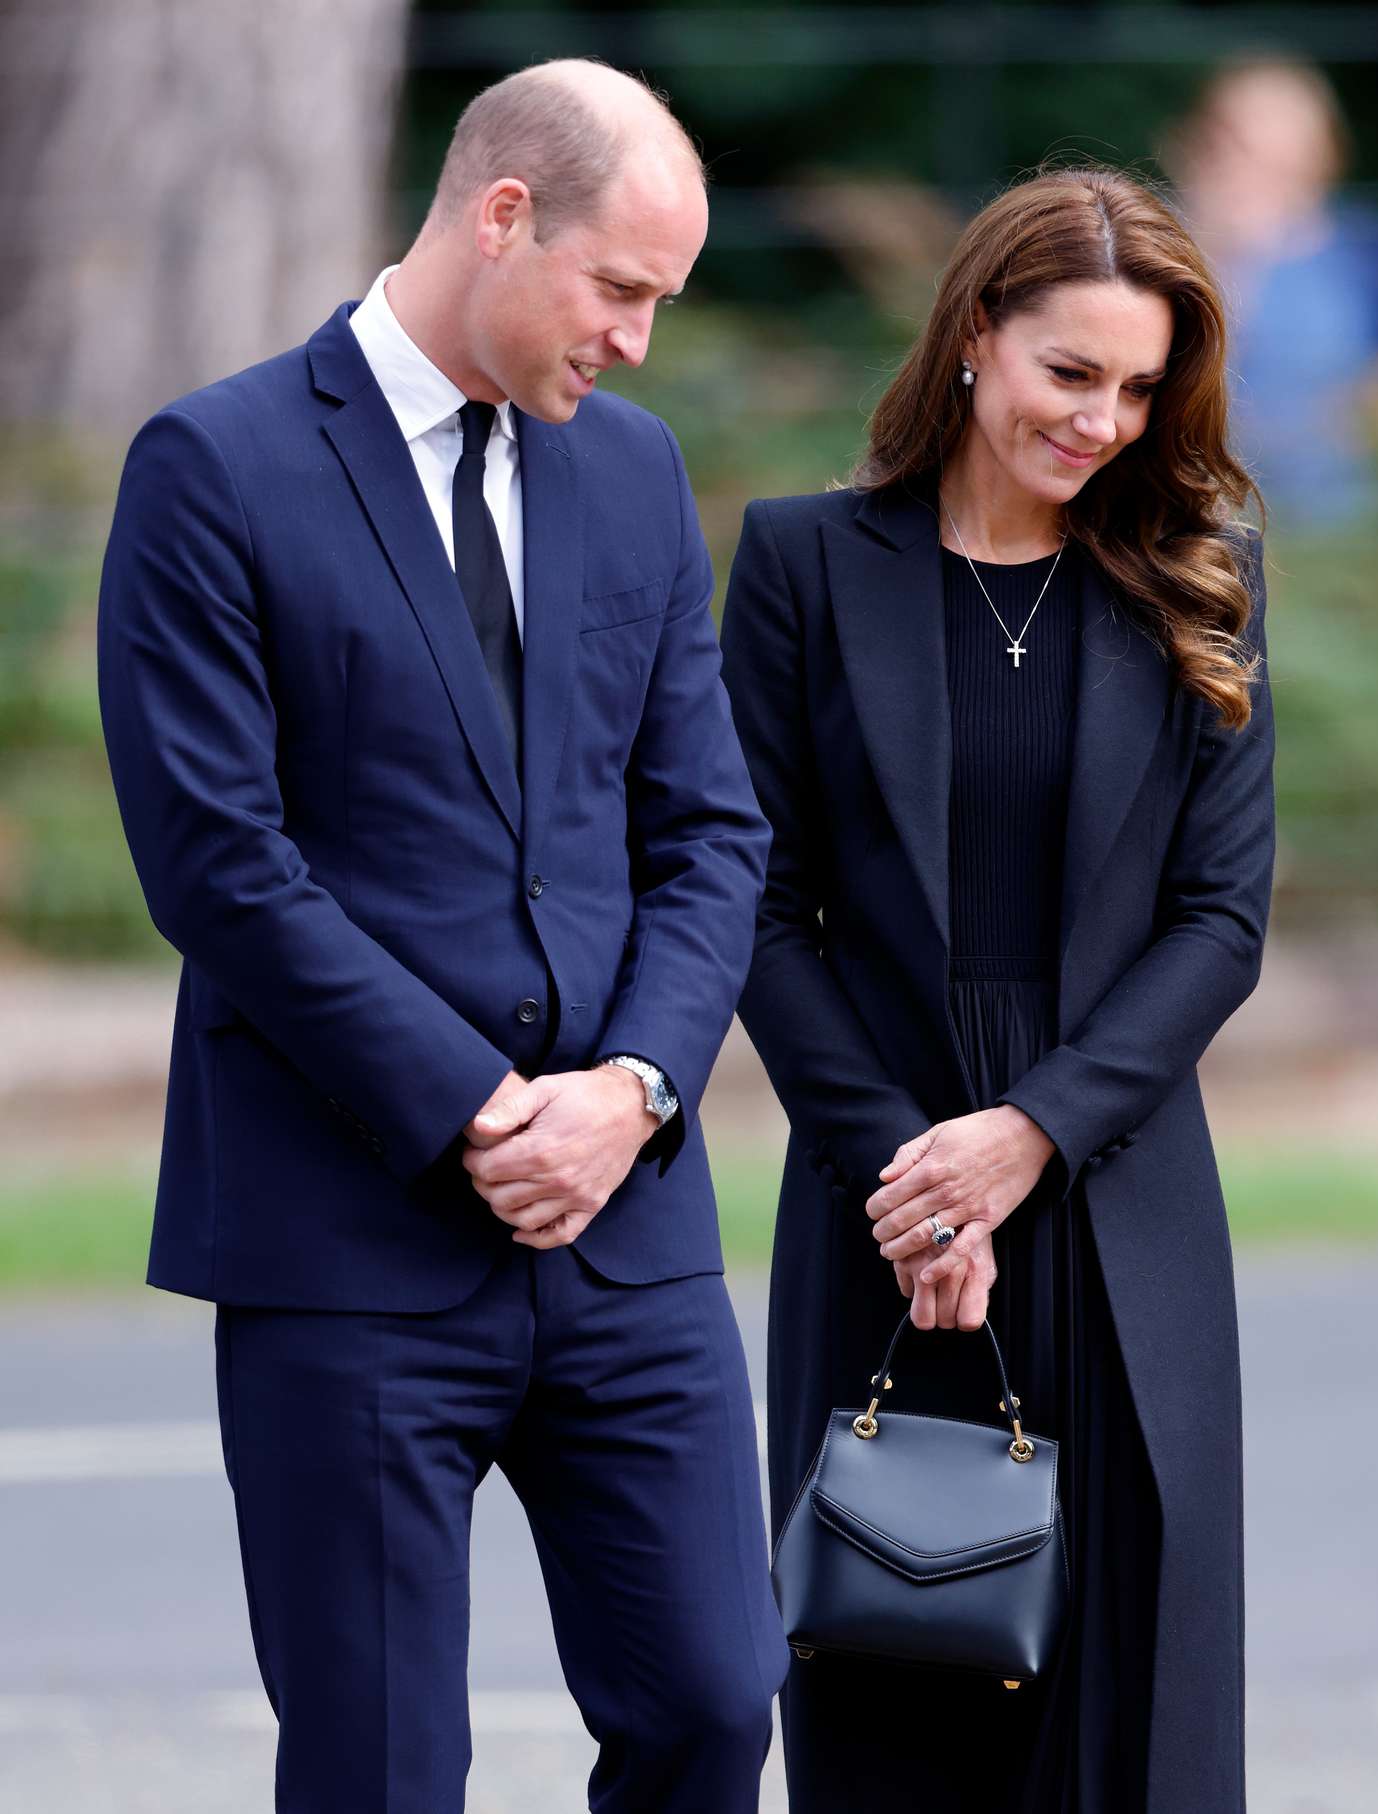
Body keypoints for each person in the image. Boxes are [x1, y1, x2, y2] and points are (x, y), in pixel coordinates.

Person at [97, 59, 787, 1813]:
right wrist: (483, 1111)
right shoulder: (216, 462)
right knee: (381, 1770)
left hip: (625, 1235)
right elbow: (217, 865)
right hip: (351, 1240)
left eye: (662, 302)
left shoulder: (632, 473)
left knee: (715, 1700)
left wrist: (628, 1089)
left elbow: (710, 828)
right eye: (621, 287)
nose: (637, 340)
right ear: (501, 215)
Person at [720, 166, 1275, 1813]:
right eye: (1069, 371)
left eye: (1137, 386)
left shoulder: (1201, 571)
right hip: (879, 1190)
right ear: (974, 336)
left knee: (1136, 1703)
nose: (1104, 417)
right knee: (892, 1683)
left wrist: (1029, 1131)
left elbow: (1219, 918)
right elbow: (756, 901)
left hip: (1122, 1197)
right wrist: (912, 1177)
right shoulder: (805, 565)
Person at [1163, 58, 1378, 525]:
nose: (1251, 170)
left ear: (1322, 161)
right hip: (1181, 518)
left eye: (1281, 157)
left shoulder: (1360, 247)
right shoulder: (1147, 240)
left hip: (1330, 526)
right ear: (1194, 144)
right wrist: (1227, 256)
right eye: (1236, 145)